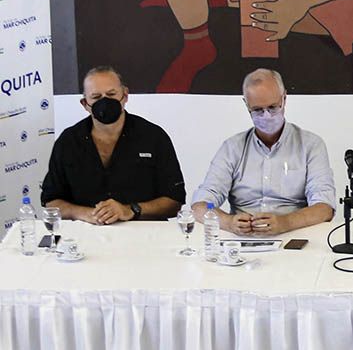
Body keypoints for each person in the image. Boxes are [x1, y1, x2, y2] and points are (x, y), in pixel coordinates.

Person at [190, 69, 336, 234]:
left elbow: (324, 207)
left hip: (294, 233)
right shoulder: (232, 148)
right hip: (242, 239)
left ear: (284, 99)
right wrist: (228, 221)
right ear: (246, 105)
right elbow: (202, 205)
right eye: (258, 110)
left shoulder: (310, 145)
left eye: (273, 107)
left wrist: (285, 222)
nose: (267, 116)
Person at [40, 66, 185, 223]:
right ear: (84, 103)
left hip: (144, 235)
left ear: (125, 95)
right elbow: (51, 201)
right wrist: (85, 213)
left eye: (111, 94)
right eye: (96, 97)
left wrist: (131, 210)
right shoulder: (68, 141)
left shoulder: (153, 137)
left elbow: (174, 201)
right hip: (86, 235)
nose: (105, 101)